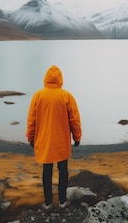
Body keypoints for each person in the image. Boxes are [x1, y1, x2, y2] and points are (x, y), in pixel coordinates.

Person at [26, 65, 82, 210]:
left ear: (46, 78)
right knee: (63, 171)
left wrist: (31, 137)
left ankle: (48, 202)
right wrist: (77, 136)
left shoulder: (38, 95)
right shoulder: (66, 96)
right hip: (62, 141)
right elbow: (74, 119)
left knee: (47, 171)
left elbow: (32, 120)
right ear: (60, 79)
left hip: (44, 141)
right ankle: (62, 201)